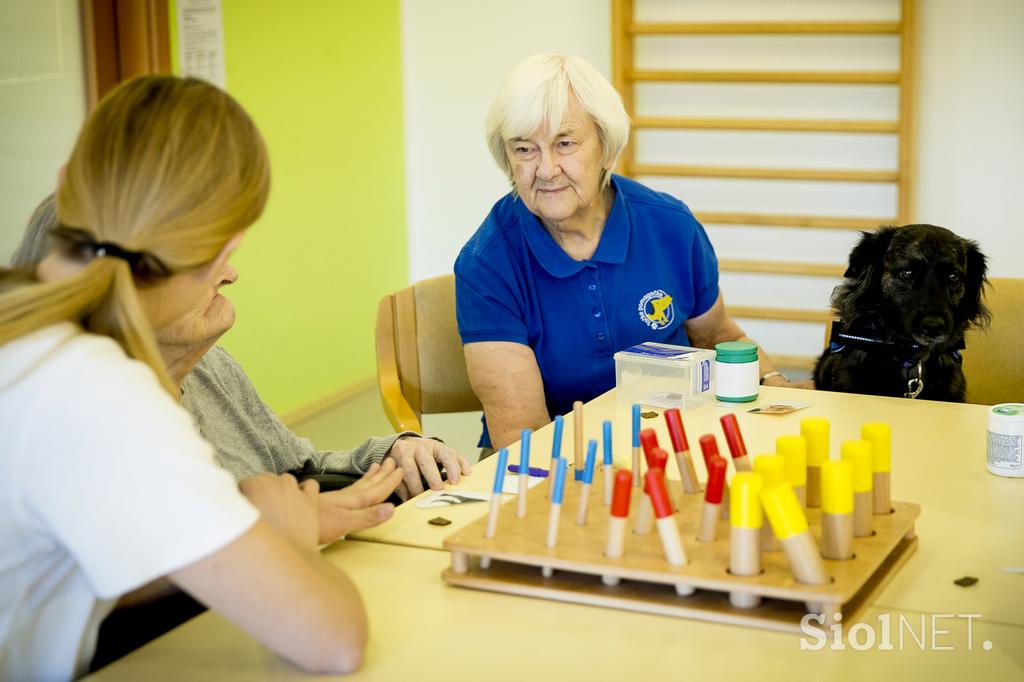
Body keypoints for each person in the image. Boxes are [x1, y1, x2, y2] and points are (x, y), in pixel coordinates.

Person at [0, 76, 363, 679]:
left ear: (68, 183)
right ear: (225, 252)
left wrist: (233, 535)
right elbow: (335, 640)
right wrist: (289, 544)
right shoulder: (99, 388)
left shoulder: (24, 331)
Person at [13, 194, 472, 529]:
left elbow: (299, 469)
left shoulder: (212, 366)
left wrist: (391, 456)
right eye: (197, 261)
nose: (230, 274)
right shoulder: (87, 427)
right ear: (120, 297)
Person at [455, 54, 810, 451]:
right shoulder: (486, 263)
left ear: (606, 148)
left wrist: (776, 387)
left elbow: (718, 336)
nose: (547, 169)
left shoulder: (670, 224)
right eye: (524, 150)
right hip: (555, 461)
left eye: (565, 143)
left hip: (676, 439)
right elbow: (521, 435)